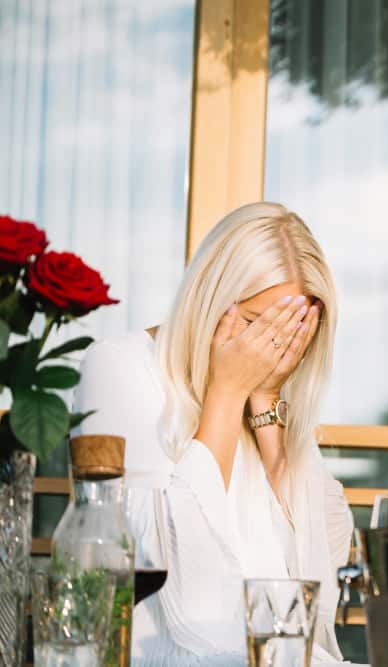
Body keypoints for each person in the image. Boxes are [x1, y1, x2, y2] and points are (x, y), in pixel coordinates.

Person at [74, 202, 357, 665]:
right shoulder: (121, 365)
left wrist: (266, 399)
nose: (271, 348)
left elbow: (320, 561)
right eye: (255, 324)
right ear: (211, 298)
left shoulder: (273, 395)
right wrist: (226, 393)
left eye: (292, 333)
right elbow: (179, 580)